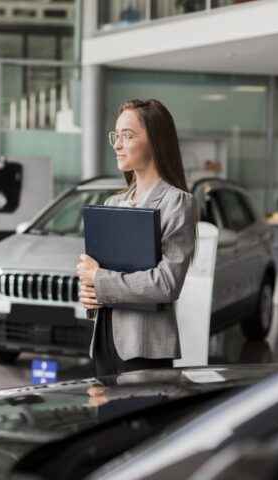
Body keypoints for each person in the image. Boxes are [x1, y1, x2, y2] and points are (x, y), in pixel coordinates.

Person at [77, 98, 197, 377]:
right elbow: (98, 274)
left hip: (145, 346)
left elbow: (167, 283)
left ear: (155, 141)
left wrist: (99, 280)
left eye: (127, 136)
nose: (118, 145)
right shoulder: (113, 203)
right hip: (105, 341)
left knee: (142, 421)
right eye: (115, 136)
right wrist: (88, 292)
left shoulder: (177, 202)